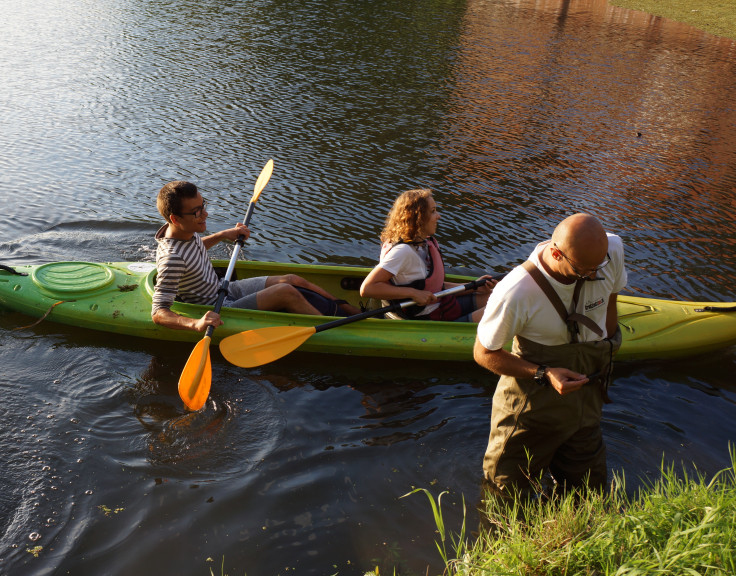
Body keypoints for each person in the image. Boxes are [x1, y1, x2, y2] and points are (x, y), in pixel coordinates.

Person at [474, 213, 627, 497]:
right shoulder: (516, 291)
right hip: (532, 408)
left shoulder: (611, 251)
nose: (595, 275)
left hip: (586, 399)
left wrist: (605, 346)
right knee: (506, 493)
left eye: (599, 266)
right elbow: (483, 353)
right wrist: (543, 373)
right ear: (556, 253)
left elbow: (612, 298)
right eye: (585, 270)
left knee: (588, 493)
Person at [151, 180, 357, 331]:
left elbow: (194, 249)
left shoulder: (184, 232)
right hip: (219, 306)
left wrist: (224, 235)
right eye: (197, 212)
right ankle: (336, 330)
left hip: (225, 288)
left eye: (203, 205)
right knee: (286, 291)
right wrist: (195, 324)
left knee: (293, 280)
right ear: (175, 219)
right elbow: (159, 312)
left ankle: (352, 312)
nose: (205, 214)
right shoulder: (172, 259)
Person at [360, 189, 496, 322]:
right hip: (430, 317)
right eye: (432, 211)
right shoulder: (403, 252)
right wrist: (413, 294)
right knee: (504, 305)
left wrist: (474, 286)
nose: (438, 216)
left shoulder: (421, 244)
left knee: (496, 296)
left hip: (443, 305)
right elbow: (367, 288)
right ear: (417, 217)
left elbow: (433, 288)